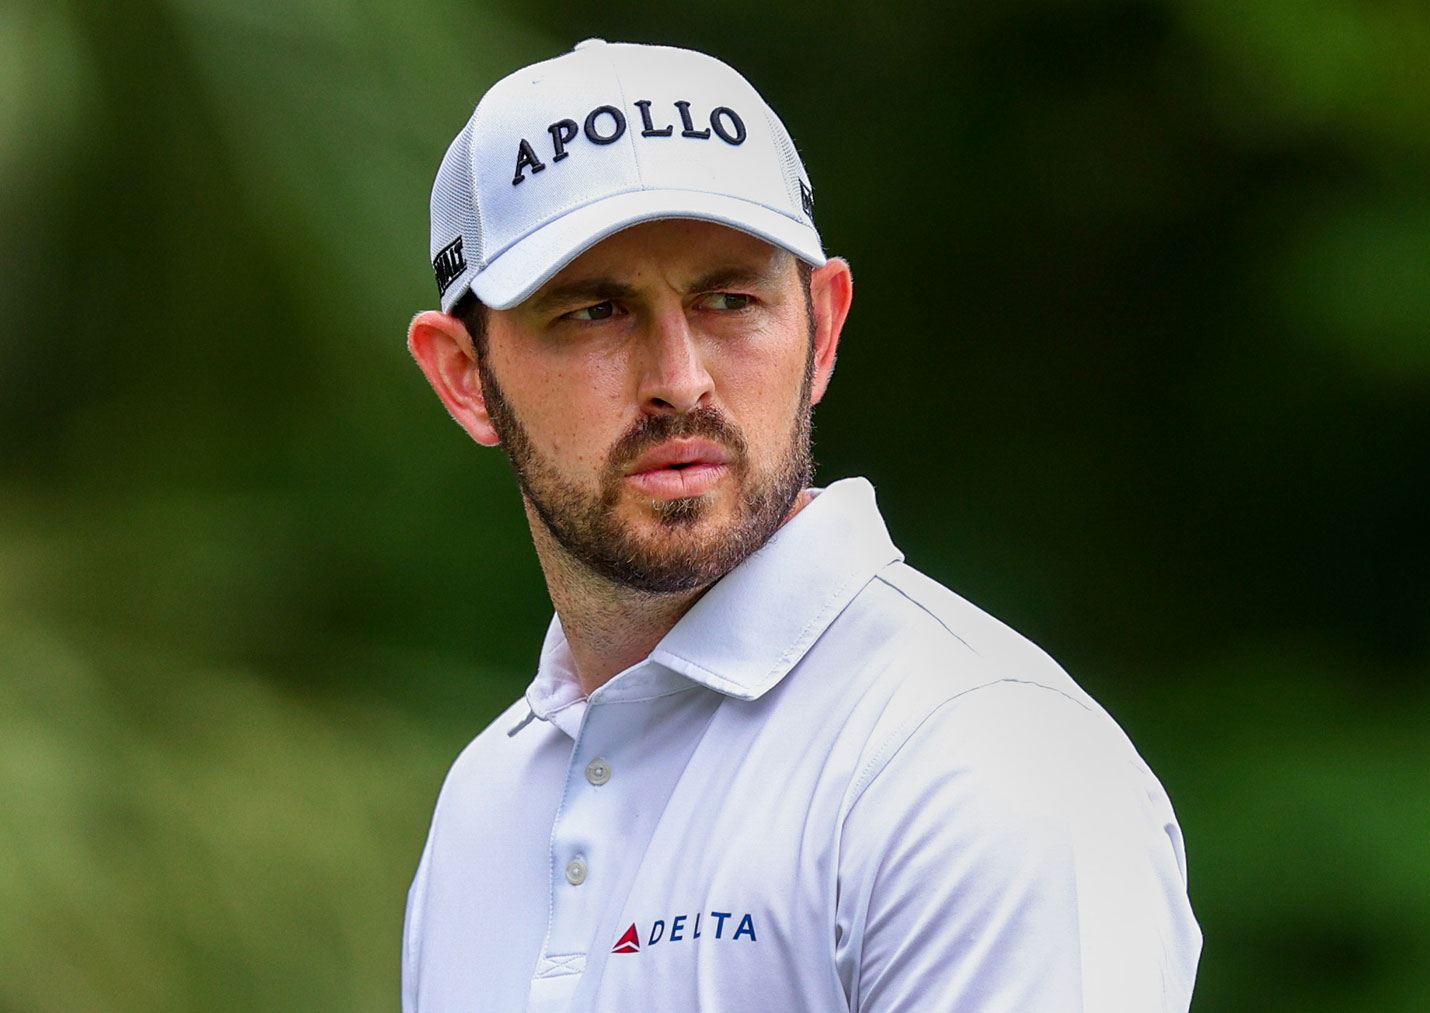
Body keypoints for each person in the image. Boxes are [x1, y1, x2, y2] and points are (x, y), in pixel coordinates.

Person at [400, 39, 1201, 1012]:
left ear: (822, 327)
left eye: (731, 298)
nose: (680, 377)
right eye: (595, 311)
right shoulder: (484, 802)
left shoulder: (986, 758)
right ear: (462, 376)